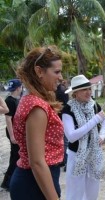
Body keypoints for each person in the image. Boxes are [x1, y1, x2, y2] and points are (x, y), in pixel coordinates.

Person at [9, 45, 64, 200]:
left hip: (34, 180)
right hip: (34, 184)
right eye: (57, 72)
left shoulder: (33, 101)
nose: (61, 77)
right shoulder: (37, 107)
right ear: (39, 71)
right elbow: (37, 162)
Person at [62, 74, 105, 200]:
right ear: (75, 93)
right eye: (84, 89)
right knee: (75, 190)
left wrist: (102, 134)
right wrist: (94, 120)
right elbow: (71, 136)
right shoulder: (68, 109)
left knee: (93, 188)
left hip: (94, 153)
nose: (88, 92)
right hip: (77, 155)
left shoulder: (93, 105)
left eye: (89, 89)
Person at [1, 79, 22, 191]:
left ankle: (9, 180)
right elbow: (8, 120)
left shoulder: (15, 99)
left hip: (15, 131)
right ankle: (7, 182)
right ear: (18, 88)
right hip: (12, 131)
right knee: (16, 157)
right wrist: (12, 135)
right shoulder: (10, 100)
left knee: (14, 155)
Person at [55, 80, 69, 170]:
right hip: (61, 118)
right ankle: (64, 161)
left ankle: (63, 161)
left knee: (62, 141)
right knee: (64, 141)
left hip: (58, 118)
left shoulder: (57, 91)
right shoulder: (62, 91)